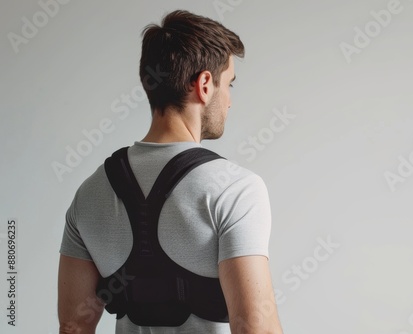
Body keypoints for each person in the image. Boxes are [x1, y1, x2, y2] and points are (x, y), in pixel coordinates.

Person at [57, 9, 283, 334]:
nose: (230, 101)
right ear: (205, 84)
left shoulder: (90, 193)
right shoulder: (236, 190)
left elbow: (73, 326)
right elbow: (255, 328)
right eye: (229, 84)